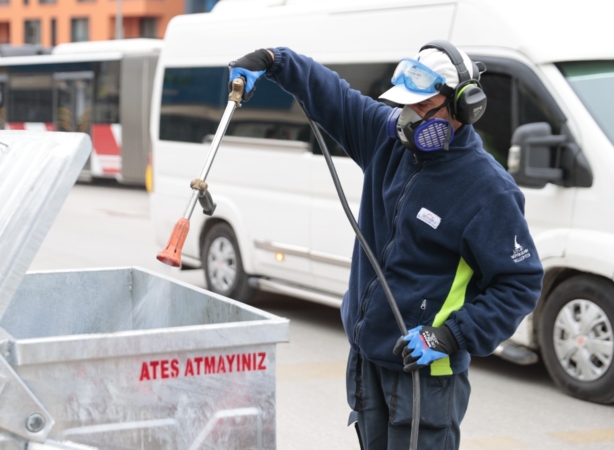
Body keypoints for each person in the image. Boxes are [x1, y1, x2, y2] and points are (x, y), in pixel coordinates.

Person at [228, 42, 544, 449]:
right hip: (367, 359)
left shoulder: (488, 190)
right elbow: (336, 98)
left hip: (424, 374)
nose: (409, 120)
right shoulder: (388, 140)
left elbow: (519, 283)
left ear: (465, 108)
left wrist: (450, 336)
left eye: (423, 108)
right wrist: (276, 62)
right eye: (405, 107)